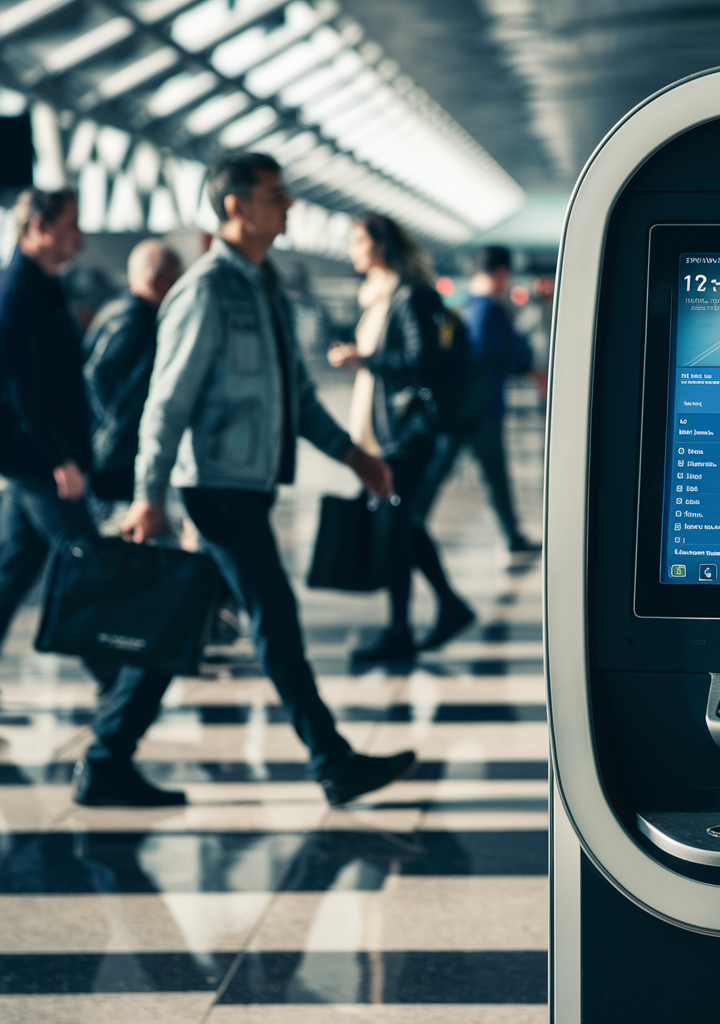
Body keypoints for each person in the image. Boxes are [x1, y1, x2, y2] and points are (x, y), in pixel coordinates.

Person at [117, 152, 415, 807]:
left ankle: (107, 752)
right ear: (235, 207)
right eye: (275, 196)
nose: (287, 208)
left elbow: (299, 397)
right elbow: (166, 405)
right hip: (217, 489)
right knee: (274, 618)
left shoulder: (266, 284)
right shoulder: (206, 291)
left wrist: (354, 456)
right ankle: (332, 760)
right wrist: (149, 495)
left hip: (247, 486)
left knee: (185, 619)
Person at [0, 188, 180, 806]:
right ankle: (115, 710)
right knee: (90, 572)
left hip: (37, 463)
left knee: (13, 574)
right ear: (40, 227)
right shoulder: (18, 288)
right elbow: (20, 384)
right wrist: (60, 459)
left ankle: (112, 706)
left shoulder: (43, 284)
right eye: (71, 226)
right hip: (41, 465)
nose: (80, 236)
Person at [328, 213, 474, 661]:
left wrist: (364, 360)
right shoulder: (379, 298)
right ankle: (446, 607)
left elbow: (420, 361)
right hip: (389, 433)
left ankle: (401, 631)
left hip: (408, 434)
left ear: (382, 246)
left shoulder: (409, 297)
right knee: (402, 524)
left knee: (396, 526)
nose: (352, 250)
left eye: (358, 241)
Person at [413, 245, 540, 560]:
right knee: (492, 473)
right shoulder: (490, 309)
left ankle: (410, 523)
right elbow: (500, 353)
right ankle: (409, 525)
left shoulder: (462, 305)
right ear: (501, 273)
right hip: (483, 409)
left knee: (441, 471)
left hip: (457, 408)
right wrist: (530, 369)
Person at [82, 239, 183, 505]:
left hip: (112, 449)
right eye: (176, 280)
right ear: (156, 280)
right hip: (116, 453)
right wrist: (114, 422)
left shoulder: (118, 309)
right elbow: (97, 374)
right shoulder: (134, 319)